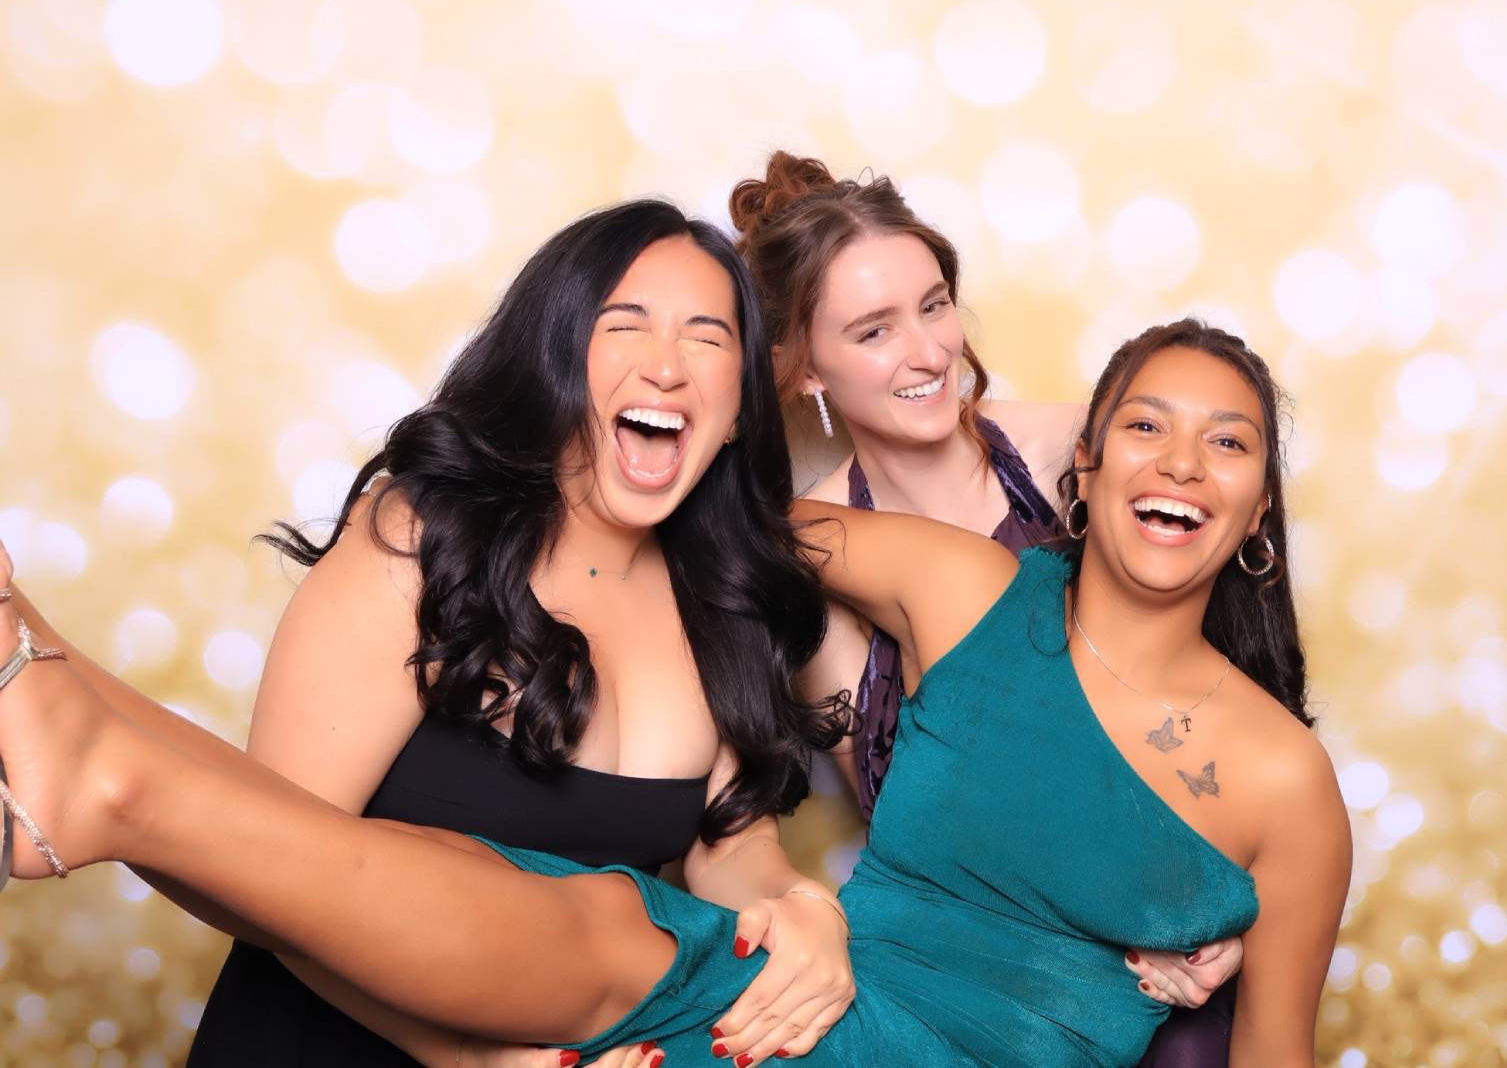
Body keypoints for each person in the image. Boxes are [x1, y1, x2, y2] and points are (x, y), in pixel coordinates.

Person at [0, 318, 1351, 1067]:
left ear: (1254, 509)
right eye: (1141, 425)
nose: (1179, 461)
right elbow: (704, 496)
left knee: (596, 935)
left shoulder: (1284, 780)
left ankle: (89, 747)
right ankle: (79, 725)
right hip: (808, 986)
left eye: (1225, 441)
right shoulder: (971, 592)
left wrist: (1196, 964)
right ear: (1085, 464)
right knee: (567, 899)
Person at [112, 201, 859, 1068]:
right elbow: (265, 870)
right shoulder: (425, 539)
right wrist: (470, 1059)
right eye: (626, 324)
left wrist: (803, 907)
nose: (666, 366)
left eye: (706, 337)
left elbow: (731, 844)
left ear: (735, 410)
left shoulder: (725, 598)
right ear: (555, 363)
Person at [732, 153, 1246, 1058]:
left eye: (933, 306)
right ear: (806, 367)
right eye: (873, 330)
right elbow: (917, 825)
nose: (928, 352)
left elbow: (1223, 706)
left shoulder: (1079, 450)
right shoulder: (812, 562)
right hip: (987, 968)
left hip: (1167, 931)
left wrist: (1216, 908)